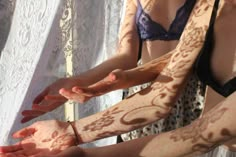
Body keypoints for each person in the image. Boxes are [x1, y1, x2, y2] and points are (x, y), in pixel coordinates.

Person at [0, 0, 226, 156]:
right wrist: (78, 82)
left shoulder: (212, 7)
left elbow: (195, 54)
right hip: (145, 94)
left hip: (193, 93)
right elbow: (128, 57)